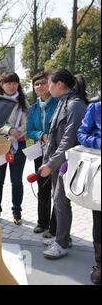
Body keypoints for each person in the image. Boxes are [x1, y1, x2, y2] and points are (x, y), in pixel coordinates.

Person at [39, 69, 88, 259]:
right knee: (59, 201)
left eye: (50, 83)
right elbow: (54, 136)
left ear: (60, 85)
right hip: (58, 161)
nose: (47, 87)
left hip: (66, 162)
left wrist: (51, 164)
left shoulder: (75, 105)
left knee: (60, 201)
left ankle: (61, 244)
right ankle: (63, 238)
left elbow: (68, 140)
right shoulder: (64, 102)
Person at [0, 72, 29, 225]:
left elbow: (26, 124)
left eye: (14, 83)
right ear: (1, 84)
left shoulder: (23, 102)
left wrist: (13, 137)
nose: (12, 86)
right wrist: (8, 131)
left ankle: (17, 212)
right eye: (8, 83)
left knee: (17, 181)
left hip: (18, 145)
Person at [26, 71, 60, 235]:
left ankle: (55, 227)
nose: (40, 86)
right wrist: (41, 135)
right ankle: (42, 222)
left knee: (58, 190)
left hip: (57, 152)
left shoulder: (59, 103)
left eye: (43, 83)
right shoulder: (32, 109)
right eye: (36, 84)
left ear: (50, 84)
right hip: (40, 152)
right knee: (43, 187)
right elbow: (30, 131)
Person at [77, 100, 101, 284]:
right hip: (100, 170)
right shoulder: (96, 107)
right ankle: (99, 264)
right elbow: (81, 134)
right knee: (99, 218)